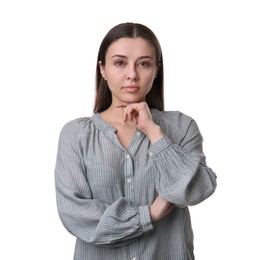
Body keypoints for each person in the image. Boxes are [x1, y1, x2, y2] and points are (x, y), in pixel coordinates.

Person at [54, 22, 217, 260]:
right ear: (102, 69)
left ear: (156, 69)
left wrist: (153, 131)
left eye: (144, 63)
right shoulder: (75, 135)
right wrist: (149, 214)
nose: (132, 74)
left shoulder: (181, 127)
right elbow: (78, 217)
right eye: (120, 63)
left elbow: (194, 191)